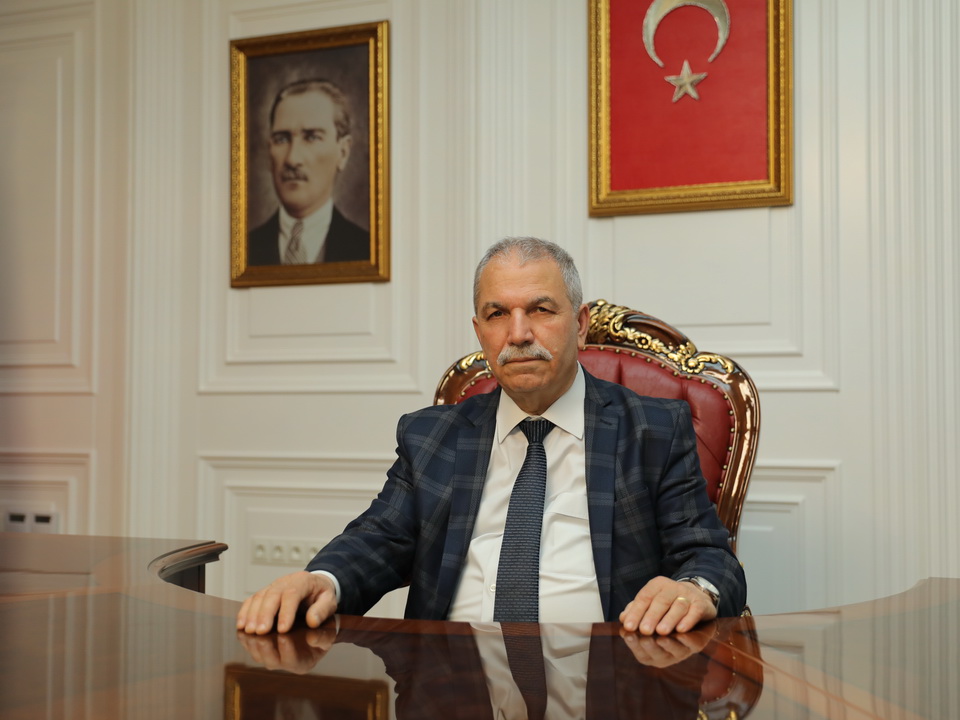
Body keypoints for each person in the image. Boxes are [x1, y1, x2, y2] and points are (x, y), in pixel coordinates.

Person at [237, 237, 746, 637]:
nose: (518, 333)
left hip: (609, 682)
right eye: (497, 313)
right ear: (479, 331)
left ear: (580, 324)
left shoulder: (653, 429)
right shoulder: (432, 436)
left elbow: (710, 557)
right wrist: (321, 580)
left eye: (541, 309)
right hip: (450, 684)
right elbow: (379, 539)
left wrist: (694, 588)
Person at [247, 78, 370, 265]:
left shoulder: (368, 250)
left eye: (312, 137)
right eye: (281, 139)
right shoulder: (240, 251)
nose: (292, 159)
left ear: (343, 152)